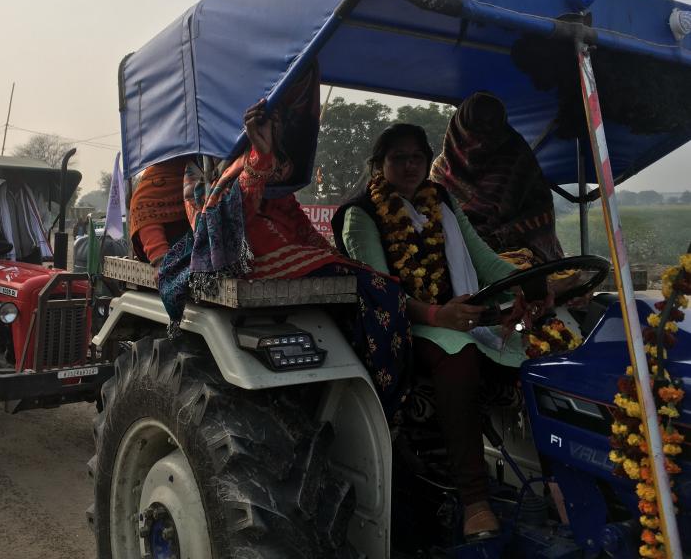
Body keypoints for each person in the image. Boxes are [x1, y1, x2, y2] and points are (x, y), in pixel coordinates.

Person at [158, 63, 412, 421]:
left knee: (377, 288)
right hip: (249, 259)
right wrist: (258, 159)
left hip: (293, 253)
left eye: (280, 121)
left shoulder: (278, 171)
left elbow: (295, 220)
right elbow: (219, 228)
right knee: (382, 294)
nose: (277, 128)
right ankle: (384, 409)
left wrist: (334, 257)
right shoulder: (201, 172)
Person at [333, 123, 546, 541]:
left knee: (544, 341)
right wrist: (437, 315)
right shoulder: (360, 214)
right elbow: (381, 294)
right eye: (399, 158)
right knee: (458, 355)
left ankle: (550, 476)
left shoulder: (441, 200)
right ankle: (474, 501)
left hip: (456, 316)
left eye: (417, 157)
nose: (410, 166)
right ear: (380, 165)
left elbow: (484, 261)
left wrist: (537, 284)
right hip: (398, 327)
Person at [429, 92, 564, 263]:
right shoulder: (442, 170)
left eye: (492, 124)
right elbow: (438, 218)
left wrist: (497, 239)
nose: (484, 134)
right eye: (477, 125)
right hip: (460, 253)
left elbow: (538, 211)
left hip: (528, 253)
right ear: (461, 127)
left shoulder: (518, 158)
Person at [129, 158, 191, 267]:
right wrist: (160, 258)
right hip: (173, 255)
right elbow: (144, 214)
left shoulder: (206, 163)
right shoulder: (155, 181)